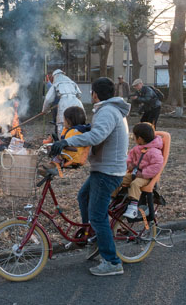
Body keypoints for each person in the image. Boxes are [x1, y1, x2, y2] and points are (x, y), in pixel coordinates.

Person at [49, 77, 131, 276]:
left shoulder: (108, 112)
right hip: (103, 168)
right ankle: (93, 235)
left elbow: (96, 136)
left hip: (107, 172)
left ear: (95, 93)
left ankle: (112, 262)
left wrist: (70, 142)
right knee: (83, 196)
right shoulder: (108, 110)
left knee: (97, 215)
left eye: (91, 91)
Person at [117, 123, 165, 219]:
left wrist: (143, 174)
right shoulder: (137, 149)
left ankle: (133, 207)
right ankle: (111, 197)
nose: (133, 138)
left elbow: (157, 166)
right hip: (135, 173)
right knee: (117, 179)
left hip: (146, 177)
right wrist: (129, 164)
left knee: (135, 184)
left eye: (134, 136)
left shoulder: (154, 151)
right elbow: (130, 158)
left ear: (139, 139)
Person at [42, 105, 90, 169]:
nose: (63, 122)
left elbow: (72, 147)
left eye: (64, 119)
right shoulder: (80, 130)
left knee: (54, 150)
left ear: (69, 121)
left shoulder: (74, 132)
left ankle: (53, 167)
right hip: (76, 156)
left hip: (71, 158)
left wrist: (58, 144)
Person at [42, 69, 83, 135]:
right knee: (77, 123)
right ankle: (77, 142)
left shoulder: (56, 84)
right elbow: (79, 94)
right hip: (76, 103)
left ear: (54, 76)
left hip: (64, 104)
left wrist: (44, 111)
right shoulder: (72, 82)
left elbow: (48, 99)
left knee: (61, 124)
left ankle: (63, 142)